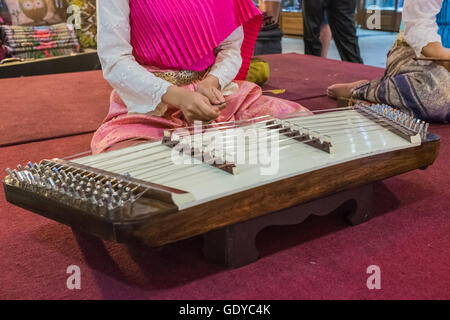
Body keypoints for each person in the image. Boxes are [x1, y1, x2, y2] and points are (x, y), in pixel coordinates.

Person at [91, 0, 310, 154]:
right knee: (129, 160)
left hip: (213, 93)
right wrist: (178, 97)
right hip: (150, 98)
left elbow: (231, 49)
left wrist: (212, 82)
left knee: (301, 124)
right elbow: (114, 58)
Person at [327, 0, 450, 123]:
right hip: (417, 53)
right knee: (438, 95)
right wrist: (444, 57)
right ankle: (365, 90)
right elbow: (418, 24)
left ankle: (395, 92)